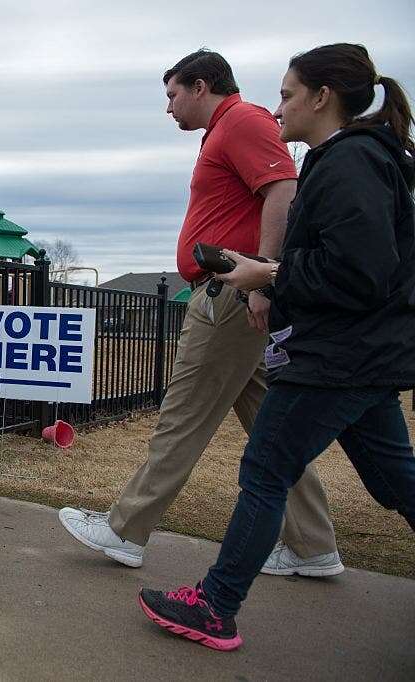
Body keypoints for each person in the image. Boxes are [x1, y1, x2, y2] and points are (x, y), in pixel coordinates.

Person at [139, 42, 415, 652]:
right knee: (397, 481)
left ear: (323, 97)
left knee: (265, 471)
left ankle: (215, 605)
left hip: (338, 357)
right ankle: (252, 582)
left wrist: (269, 275)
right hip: (360, 357)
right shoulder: (346, 159)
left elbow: (362, 271)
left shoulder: (350, 164)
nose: (279, 106)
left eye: (288, 94)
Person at [58, 49, 341, 575]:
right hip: (237, 296)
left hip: (231, 295)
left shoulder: (241, 121)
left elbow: (283, 188)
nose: (168, 108)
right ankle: (313, 546)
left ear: (200, 86)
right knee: (274, 430)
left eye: (172, 95)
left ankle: (125, 531)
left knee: (182, 417)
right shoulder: (228, 128)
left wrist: (264, 277)